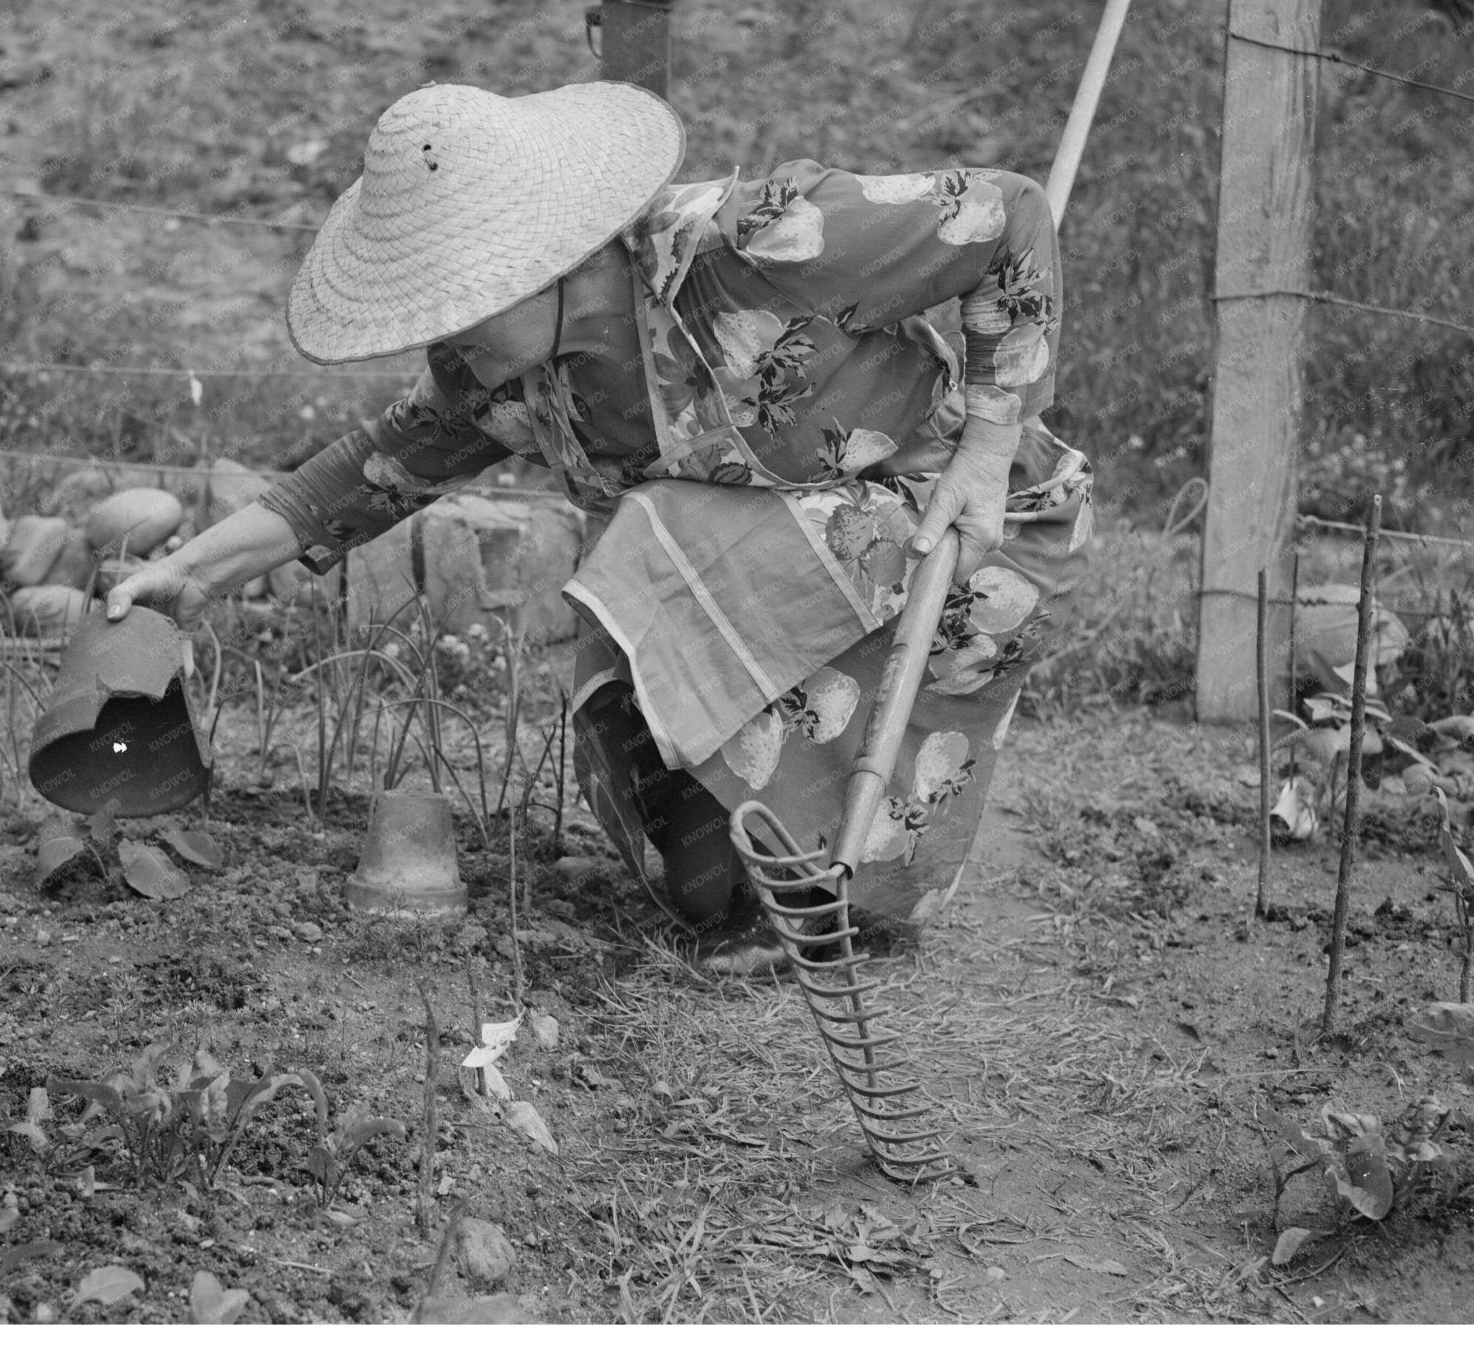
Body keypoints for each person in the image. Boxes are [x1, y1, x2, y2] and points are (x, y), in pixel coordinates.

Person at [107, 82, 1092, 974]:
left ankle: (809, 891)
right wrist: (191, 574)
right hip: (768, 581)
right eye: (429, 321)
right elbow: (365, 474)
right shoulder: (498, 377)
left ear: (549, 260)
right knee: (695, 870)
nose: (442, 347)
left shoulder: (752, 244)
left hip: (949, 531)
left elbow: (1006, 212)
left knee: (652, 543)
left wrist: (989, 444)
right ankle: (749, 890)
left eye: (460, 313)